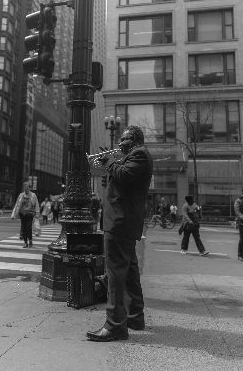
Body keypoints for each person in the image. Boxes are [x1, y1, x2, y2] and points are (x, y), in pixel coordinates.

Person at [86, 125, 153, 342]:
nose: (119, 144)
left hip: (120, 222)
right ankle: (134, 317)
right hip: (122, 221)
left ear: (133, 140)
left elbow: (123, 175)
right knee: (130, 270)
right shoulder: (133, 154)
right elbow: (120, 178)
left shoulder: (140, 154)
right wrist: (111, 164)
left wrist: (108, 162)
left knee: (115, 272)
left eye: (123, 140)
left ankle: (114, 325)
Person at [11, 182, 40, 248]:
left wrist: (37, 214)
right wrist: (13, 214)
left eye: (26, 187)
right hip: (22, 214)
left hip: (30, 214)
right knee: (23, 228)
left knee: (28, 227)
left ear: (29, 188)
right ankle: (25, 242)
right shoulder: (21, 195)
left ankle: (30, 240)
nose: (25, 188)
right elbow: (17, 205)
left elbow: (36, 204)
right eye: (24, 187)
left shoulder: (33, 195)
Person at [234, 186, 243, 262]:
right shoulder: (239, 201)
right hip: (242, 223)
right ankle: (240, 255)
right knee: (242, 239)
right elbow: (237, 211)